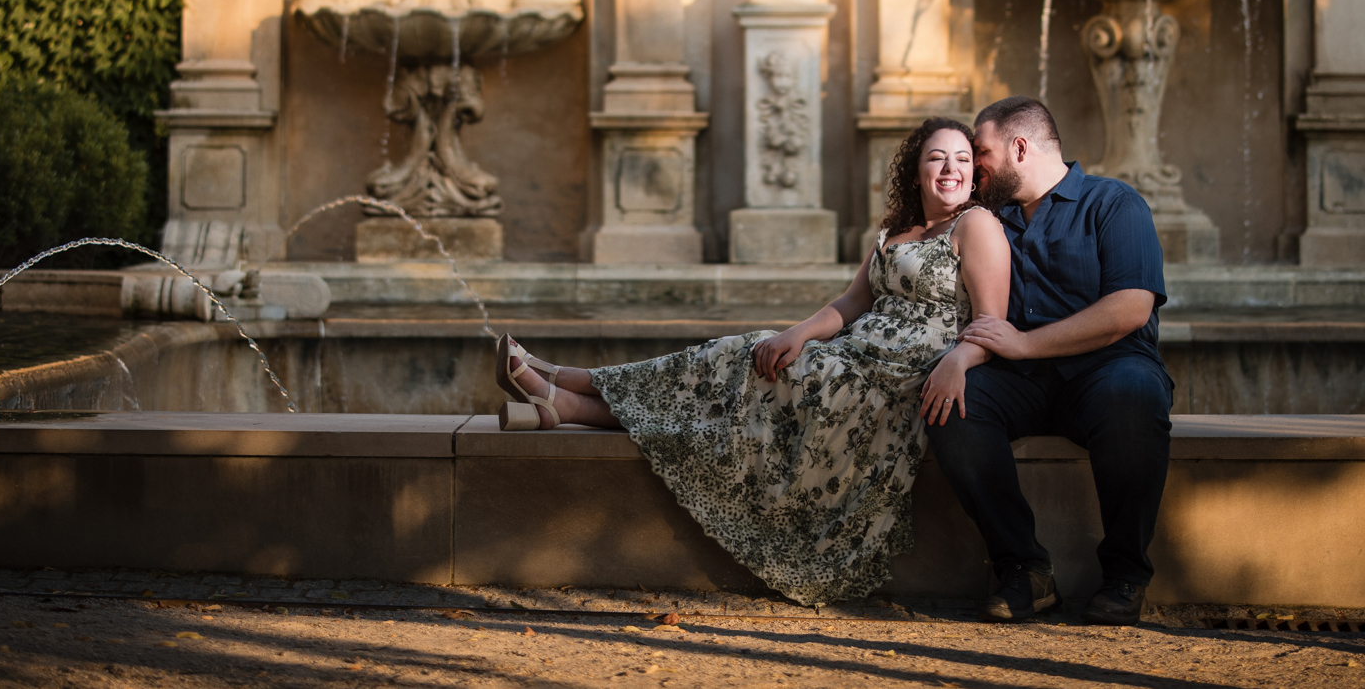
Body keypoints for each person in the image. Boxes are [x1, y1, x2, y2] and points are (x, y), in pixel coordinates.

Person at [493, 117, 1010, 606]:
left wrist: (959, 361)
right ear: (914, 171)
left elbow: (992, 323)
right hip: (849, 357)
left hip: (894, 383)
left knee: (742, 378)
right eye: (937, 158)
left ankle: (564, 384)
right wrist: (798, 334)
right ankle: (561, 401)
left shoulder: (975, 225)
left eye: (962, 159)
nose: (950, 169)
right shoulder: (895, 233)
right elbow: (851, 304)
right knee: (745, 357)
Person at [930, 95, 1173, 626]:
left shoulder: (1113, 203)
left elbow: (1131, 307)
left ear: (1019, 148)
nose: (975, 163)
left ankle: (1126, 575)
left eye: (981, 151)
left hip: (1108, 368)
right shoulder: (989, 219)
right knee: (953, 408)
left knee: (1133, 397)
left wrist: (1026, 343)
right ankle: (1025, 570)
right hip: (1021, 380)